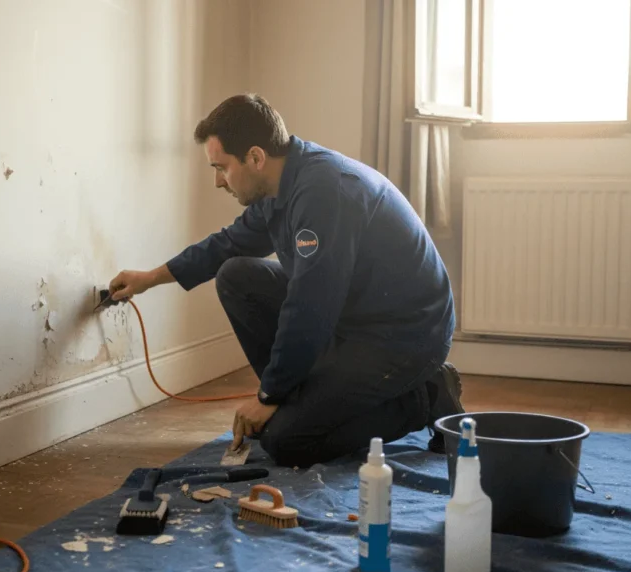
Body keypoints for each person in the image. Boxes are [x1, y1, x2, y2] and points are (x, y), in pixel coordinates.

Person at [108, 93, 463, 468]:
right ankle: (296, 398)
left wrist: (268, 396)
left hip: (405, 335)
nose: (217, 181)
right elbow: (226, 245)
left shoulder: (323, 193)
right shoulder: (278, 185)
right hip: (355, 313)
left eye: (221, 167)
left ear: (255, 157)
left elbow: (310, 308)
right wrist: (150, 278)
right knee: (236, 276)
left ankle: (425, 396)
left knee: (286, 441)